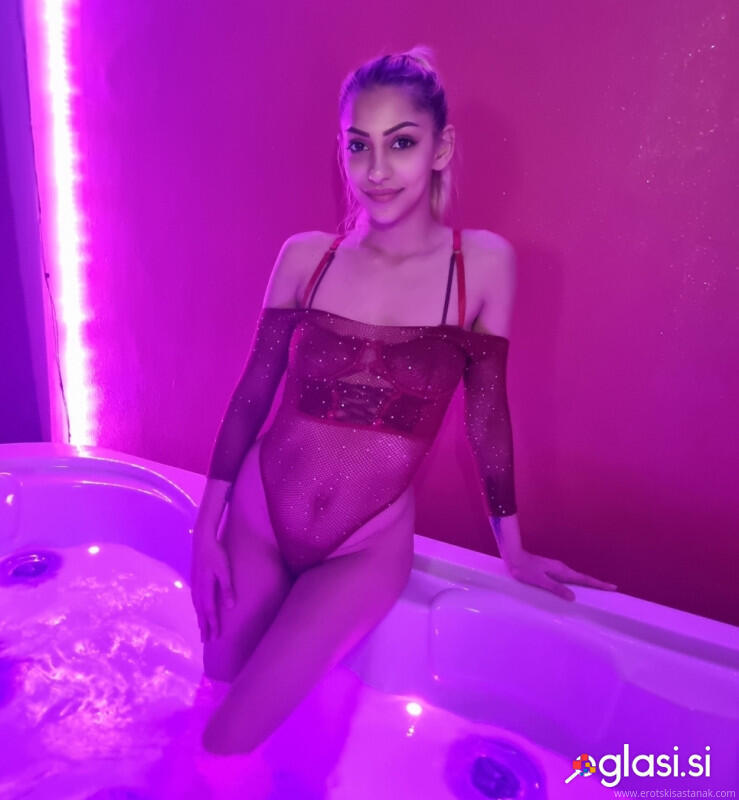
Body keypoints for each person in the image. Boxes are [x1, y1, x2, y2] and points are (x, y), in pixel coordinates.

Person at [191, 46, 617, 756]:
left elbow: (486, 414)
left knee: (228, 741)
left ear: (440, 149)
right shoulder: (307, 257)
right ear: (341, 151)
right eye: (359, 145)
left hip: (362, 548)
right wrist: (206, 528)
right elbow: (251, 395)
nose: (377, 170)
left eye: (401, 143)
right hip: (257, 523)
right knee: (211, 696)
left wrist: (513, 551)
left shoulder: (480, 265)